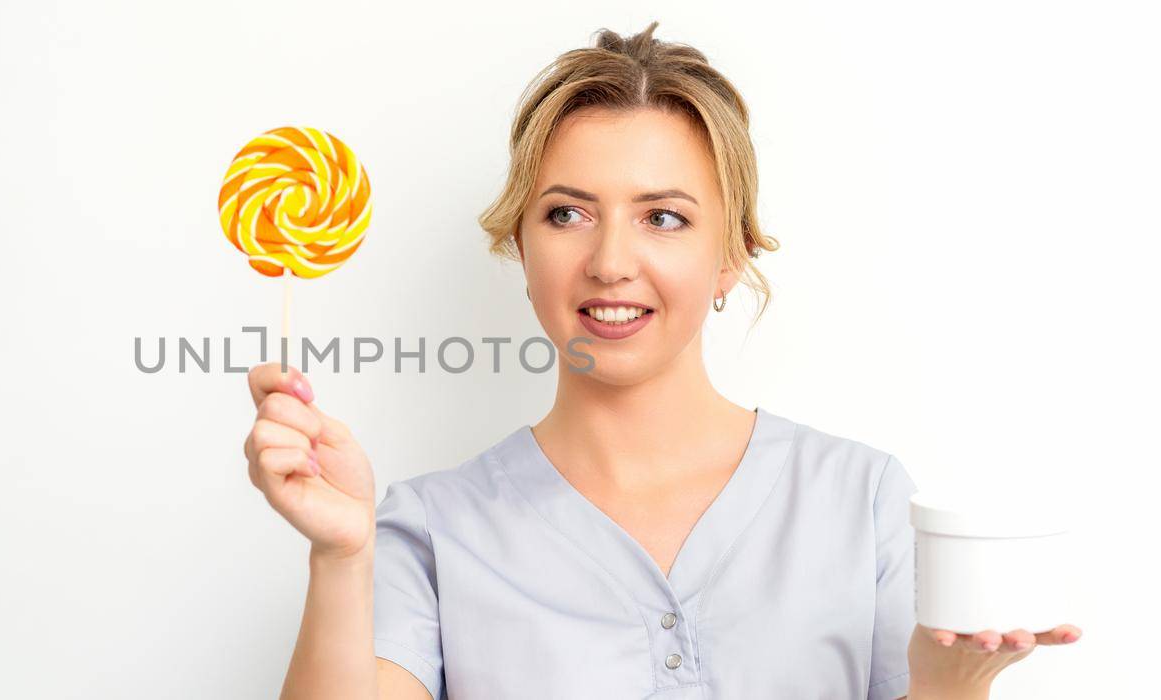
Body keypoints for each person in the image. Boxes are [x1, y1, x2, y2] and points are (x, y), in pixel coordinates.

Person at [242, 21, 1081, 700]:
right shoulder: (429, 531)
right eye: (567, 214)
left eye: (664, 218)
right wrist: (341, 557)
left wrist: (947, 690)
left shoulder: (862, 503)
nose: (610, 261)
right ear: (519, 248)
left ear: (732, 255)